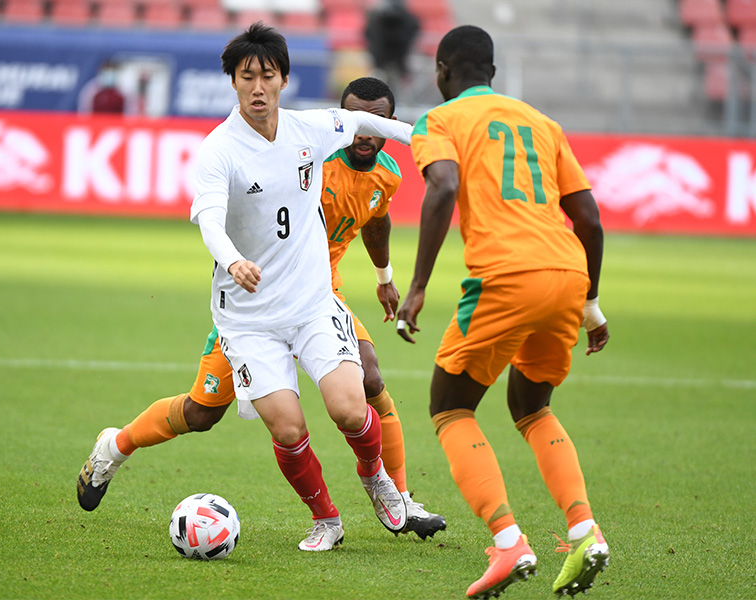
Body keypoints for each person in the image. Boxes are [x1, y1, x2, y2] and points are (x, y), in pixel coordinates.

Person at [79, 23, 415, 552]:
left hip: (311, 304)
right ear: (233, 83)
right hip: (248, 316)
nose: (257, 87)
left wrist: (429, 137)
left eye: (267, 76)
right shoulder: (219, 150)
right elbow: (210, 218)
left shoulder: (310, 130)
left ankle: (379, 481)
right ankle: (324, 519)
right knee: (217, 415)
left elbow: (357, 119)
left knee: (352, 407)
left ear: (283, 79)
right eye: (246, 77)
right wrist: (233, 260)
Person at [395, 25, 610, 598]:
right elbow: (588, 217)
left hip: (504, 277)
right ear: (491, 70)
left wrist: (416, 286)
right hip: (567, 274)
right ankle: (584, 530)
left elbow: (442, 188)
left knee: (450, 406)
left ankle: (508, 541)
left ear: (443, 71)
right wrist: (590, 303)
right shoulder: (543, 123)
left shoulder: (439, 121)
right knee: (531, 403)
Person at [364, 0, 420, 103]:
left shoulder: (406, 18)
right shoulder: (377, 19)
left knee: (403, 93)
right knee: (376, 90)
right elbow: (369, 34)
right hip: (383, 61)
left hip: (400, 61)